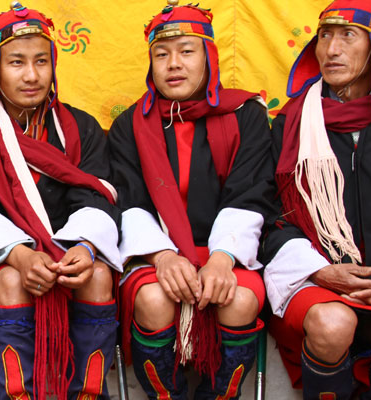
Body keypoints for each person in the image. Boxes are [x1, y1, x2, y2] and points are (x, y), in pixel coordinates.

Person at [0, 2, 122, 399]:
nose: (31, 75)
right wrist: (21, 255)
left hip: (68, 255)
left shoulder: (80, 129)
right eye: (16, 62)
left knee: (99, 275)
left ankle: (85, 395)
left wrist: (84, 247)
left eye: (42, 61)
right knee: (10, 280)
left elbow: (96, 194)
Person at [262, 0, 371, 398]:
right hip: (316, 278)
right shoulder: (289, 125)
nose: (332, 49)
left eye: (348, 36)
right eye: (324, 36)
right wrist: (320, 271)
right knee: (332, 324)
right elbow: (272, 215)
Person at [108, 1, 274, 398]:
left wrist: (221, 258)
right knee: (153, 299)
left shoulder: (245, 116)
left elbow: (250, 192)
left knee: (239, 300)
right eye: (161, 55)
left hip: (228, 254)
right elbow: (129, 203)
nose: (173, 64)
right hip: (157, 255)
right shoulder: (129, 125)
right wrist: (163, 257)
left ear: (209, 57)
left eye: (186, 51)